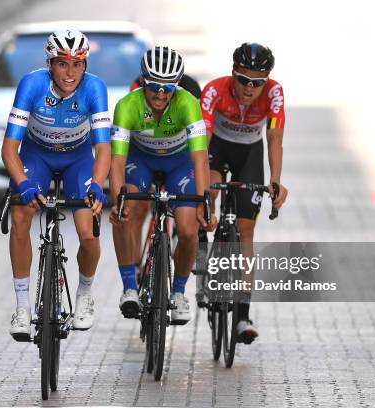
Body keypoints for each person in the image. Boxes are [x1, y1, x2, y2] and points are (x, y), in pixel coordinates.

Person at [1, 29, 111, 340]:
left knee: (88, 231)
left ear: (85, 65)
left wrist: (98, 186)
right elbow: (10, 148)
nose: (70, 73)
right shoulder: (32, 85)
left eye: (77, 65)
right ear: (50, 63)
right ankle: (23, 307)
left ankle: (84, 294)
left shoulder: (94, 88)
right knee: (21, 216)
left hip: (78, 160)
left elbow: (103, 148)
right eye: (63, 64)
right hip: (37, 156)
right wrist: (23, 185)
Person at [109, 46, 216, 325]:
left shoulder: (189, 104)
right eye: (153, 86)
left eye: (167, 88)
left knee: (189, 230)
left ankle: (179, 293)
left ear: (177, 85)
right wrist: (117, 200)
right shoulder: (127, 106)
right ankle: (130, 287)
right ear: (143, 80)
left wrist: (205, 202)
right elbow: (117, 162)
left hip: (179, 164)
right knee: (125, 212)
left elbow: (200, 159)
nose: (159, 94)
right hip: (140, 160)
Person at [200, 42, 288, 343]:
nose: (250, 88)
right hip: (217, 149)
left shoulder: (274, 93)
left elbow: (274, 138)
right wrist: (202, 193)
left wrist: (275, 181)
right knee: (208, 192)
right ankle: (202, 245)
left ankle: (242, 316)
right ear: (233, 73)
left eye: (258, 83)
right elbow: (202, 140)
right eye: (244, 80)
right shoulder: (214, 91)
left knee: (246, 231)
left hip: (250, 153)